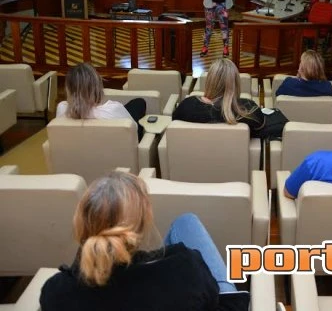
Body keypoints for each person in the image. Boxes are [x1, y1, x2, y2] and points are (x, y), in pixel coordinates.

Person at [40, 172, 247, 311]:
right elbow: (212, 298)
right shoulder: (185, 267)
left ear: (82, 223)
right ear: (143, 222)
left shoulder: (56, 292)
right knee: (187, 221)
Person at [173, 58, 265, 138]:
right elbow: (259, 131)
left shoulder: (185, 106)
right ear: (235, 83)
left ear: (209, 80)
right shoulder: (250, 111)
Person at [56, 63, 146, 141]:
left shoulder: (61, 108)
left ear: (68, 89)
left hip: (79, 152)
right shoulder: (113, 109)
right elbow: (134, 130)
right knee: (139, 103)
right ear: (96, 86)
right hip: (117, 150)